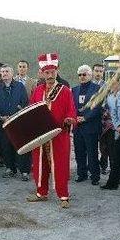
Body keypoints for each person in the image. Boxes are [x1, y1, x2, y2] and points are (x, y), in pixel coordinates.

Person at [26, 53, 76, 208]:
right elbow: (31, 109)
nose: (50, 75)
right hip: (41, 135)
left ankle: (63, 196)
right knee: (40, 164)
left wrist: (69, 119)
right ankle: (41, 192)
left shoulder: (65, 90)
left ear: (57, 71)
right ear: (42, 73)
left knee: (60, 165)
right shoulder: (38, 90)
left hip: (58, 134)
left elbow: (71, 110)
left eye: (52, 72)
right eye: (47, 73)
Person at [0, 64, 30, 180]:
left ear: (12, 74)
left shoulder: (19, 86)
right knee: (6, 146)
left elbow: (25, 103)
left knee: (21, 146)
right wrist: (0, 116)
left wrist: (18, 114)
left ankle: (24, 171)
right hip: (4, 122)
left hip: (18, 122)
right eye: (2, 72)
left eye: (7, 71)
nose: (4, 74)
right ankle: (10, 168)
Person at [72, 65, 103, 185]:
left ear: (90, 75)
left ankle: (95, 176)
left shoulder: (97, 89)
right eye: (79, 75)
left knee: (92, 152)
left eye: (84, 74)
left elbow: (97, 107)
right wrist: (75, 118)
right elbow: (72, 106)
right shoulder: (74, 89)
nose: (82, 77)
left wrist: (85, 117)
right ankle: (82, 174)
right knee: (79, 152)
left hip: (91, 125)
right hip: (78, 126)